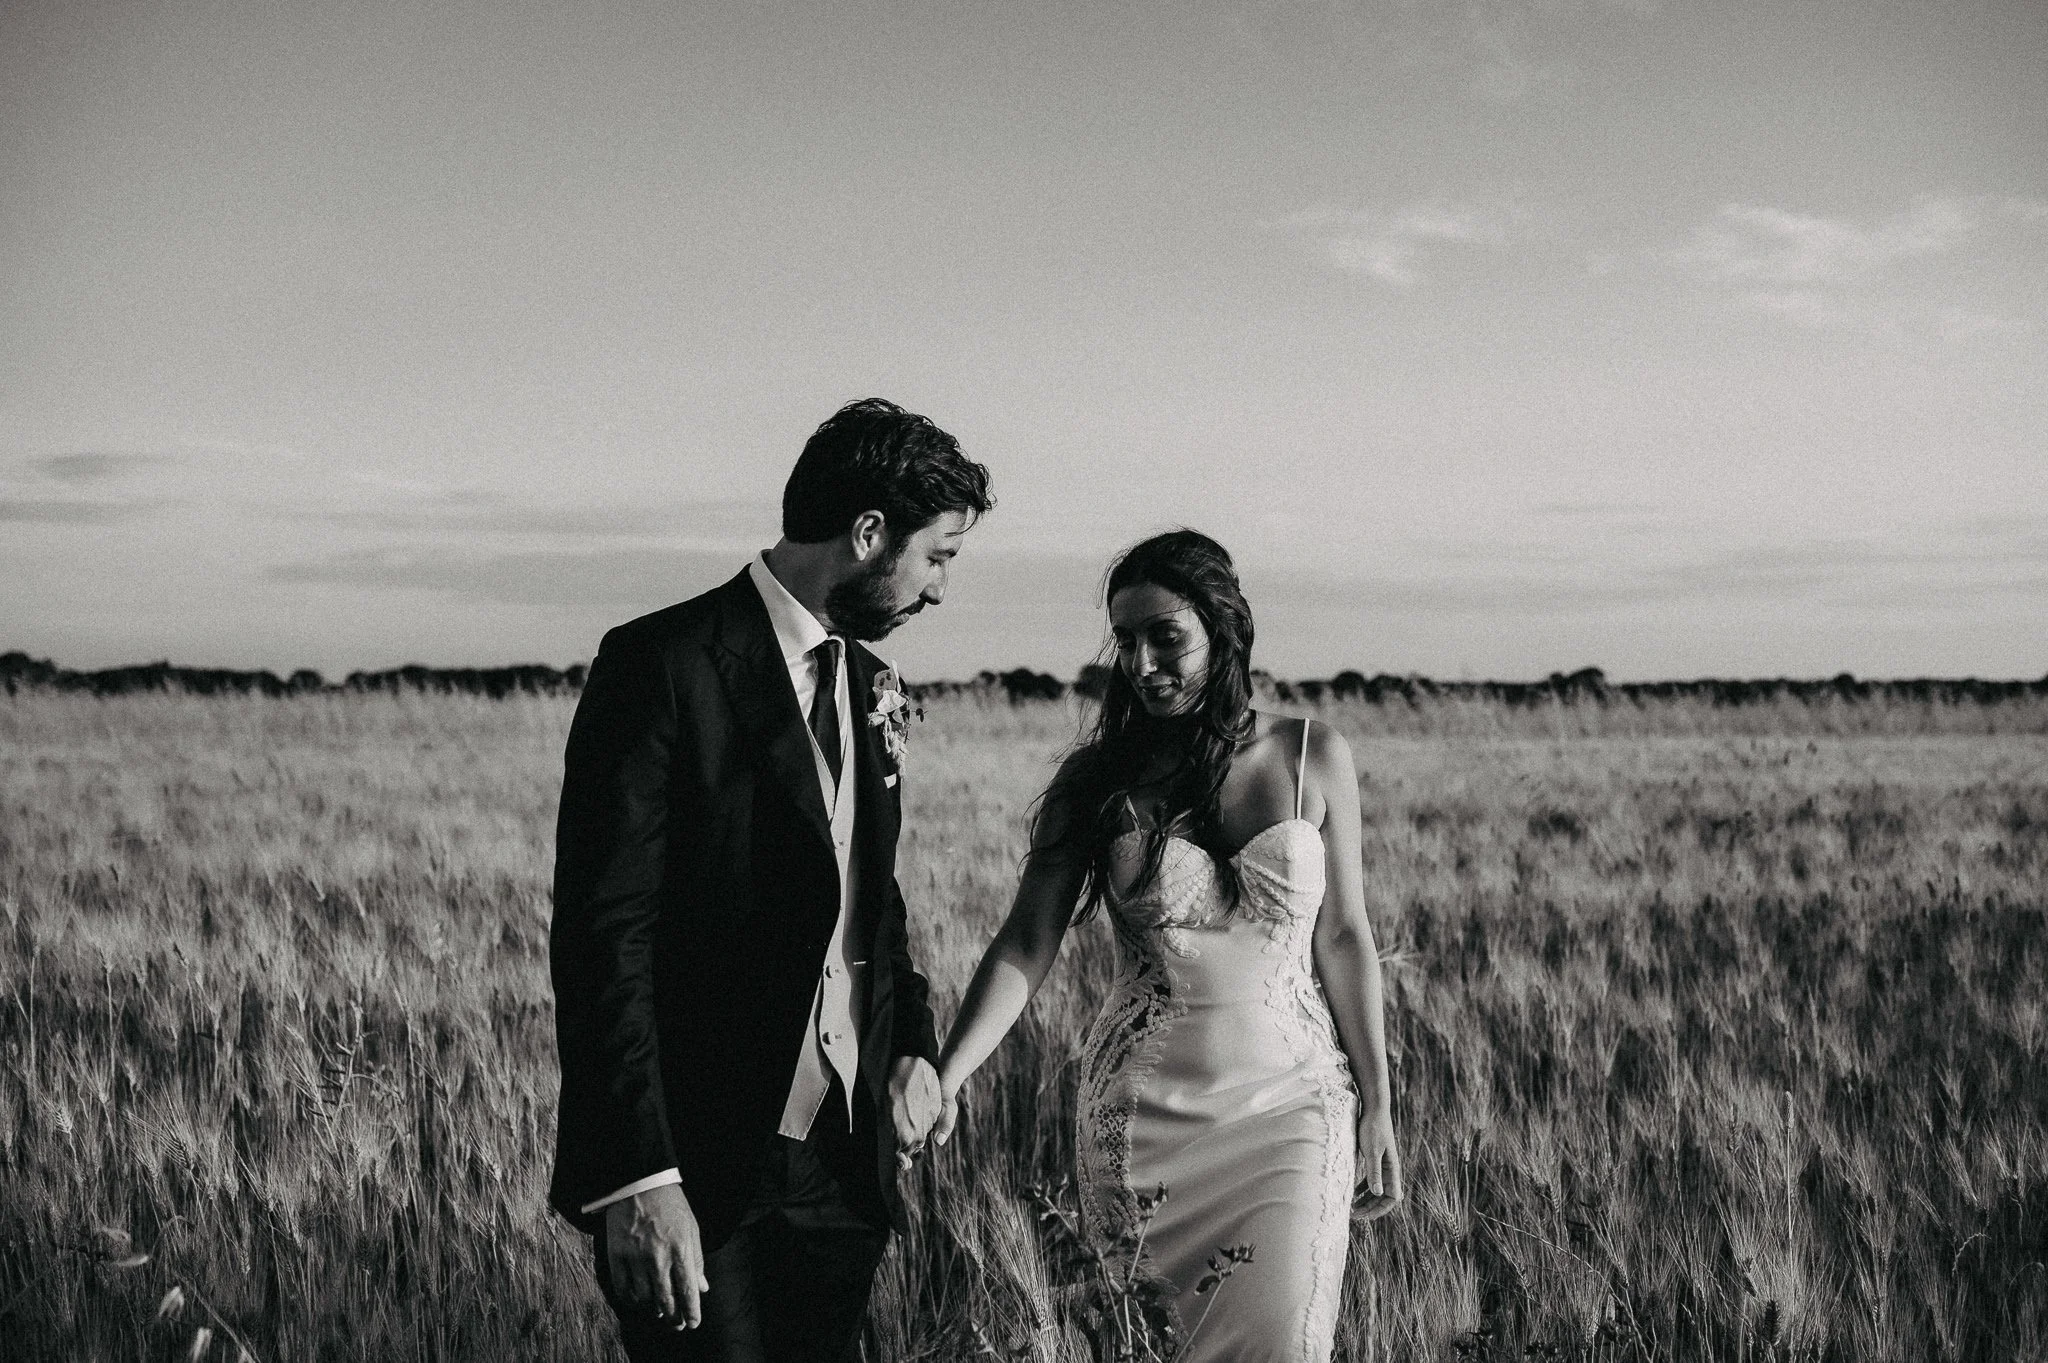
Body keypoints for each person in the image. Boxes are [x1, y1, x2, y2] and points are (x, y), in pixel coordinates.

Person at [548, 398, 994, 1361]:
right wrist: (638, 1177)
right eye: (937, 556)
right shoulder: (662, 662)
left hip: (843, 1168)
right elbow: (600, 935)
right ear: (868, 533)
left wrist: (910, 1044)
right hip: (700, 1172)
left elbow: (873, 901)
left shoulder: (872, 683)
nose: (940, 591)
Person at [932, 529, 1402, 1361]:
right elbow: (1028, 937)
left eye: (1166, 637)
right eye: (1126, 641)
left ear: (1222, 629)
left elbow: (1344, 934)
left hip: (1293, 1108)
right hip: (1145, 1118)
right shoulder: (1098, 783)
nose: (1144, 662)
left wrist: (1381, 1103)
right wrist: (950, 1072)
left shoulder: (1313, 755)